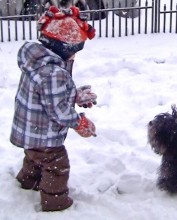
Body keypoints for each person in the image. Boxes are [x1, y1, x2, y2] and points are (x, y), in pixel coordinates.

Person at [10, 6, 97, 212]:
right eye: (75, 50)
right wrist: (80, 123)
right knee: (56, 165)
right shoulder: (54, 73)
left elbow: (47, 96)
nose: (75, 56)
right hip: (45, 135)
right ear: (64, 48)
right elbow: (58, 111)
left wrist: (74, 95)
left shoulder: (38, 62)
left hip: (29, 131)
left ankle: (27, 183)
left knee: (34, 157)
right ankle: (55, 202)